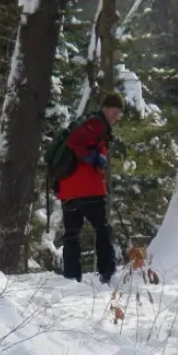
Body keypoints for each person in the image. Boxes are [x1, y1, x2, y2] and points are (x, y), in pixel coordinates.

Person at [57, 91, 123, 284]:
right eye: (113, 111)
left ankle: (71, 278)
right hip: (88, 190)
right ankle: (108, 274)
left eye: (118, 112)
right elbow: (74, 141)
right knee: (102, 230)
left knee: (71, 234)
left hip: (69, 190)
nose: (116, 116)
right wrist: (92, 158)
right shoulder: (96, 123)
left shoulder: (92, 123)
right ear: (104, 109)